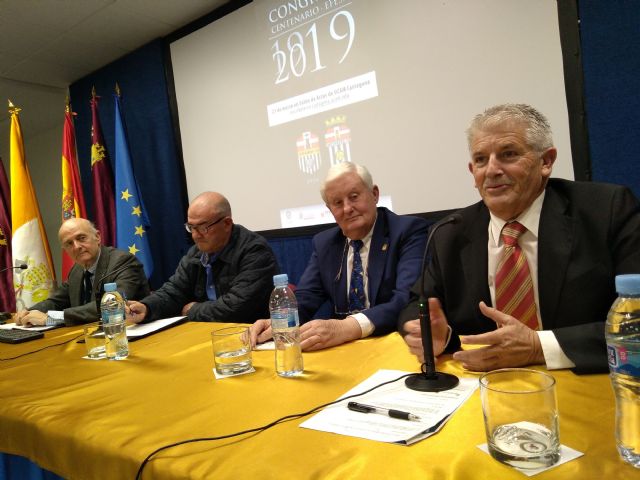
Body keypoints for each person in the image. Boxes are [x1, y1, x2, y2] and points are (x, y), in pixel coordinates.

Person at [399, 103, 640, 374]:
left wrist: (539, 347)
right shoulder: (450, 233)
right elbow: (417, 303)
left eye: (508, 154)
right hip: (486, 383)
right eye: (481, 160)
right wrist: (430, 332)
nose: (491, 170)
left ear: (546, 161)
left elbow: (635, 322)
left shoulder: (606, 211)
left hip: (585, 382)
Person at [251, 163, 428, 350]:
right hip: (344, 349)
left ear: (374, 194)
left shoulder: (408, 232)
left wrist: (347, 327)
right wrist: (279, 323)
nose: (347, 208)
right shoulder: (325, 243)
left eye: (354, 197)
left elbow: (407, 300)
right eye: (337, 203)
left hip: (393, 345)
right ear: (330, 210)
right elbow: (307, 297)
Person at [128, 191, 278, 323]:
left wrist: (192, 310)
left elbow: (237, 307)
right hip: (205, 331)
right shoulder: (196, 253)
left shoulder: (255, 251)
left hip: (249, 334)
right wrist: (147, 307)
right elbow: (174, 291)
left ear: (227, 223)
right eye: (191, 227)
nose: (195, 235)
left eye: (203, 228)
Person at [14, 218, 149, 326]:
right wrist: (28, 312)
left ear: (97, 237)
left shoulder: (123, 262)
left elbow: (113, 305)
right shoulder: (77, 270)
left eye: (81, 238)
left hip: (130, 334)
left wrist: (51, 318)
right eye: (69, 243)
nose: (76, 246)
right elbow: (56, 301)